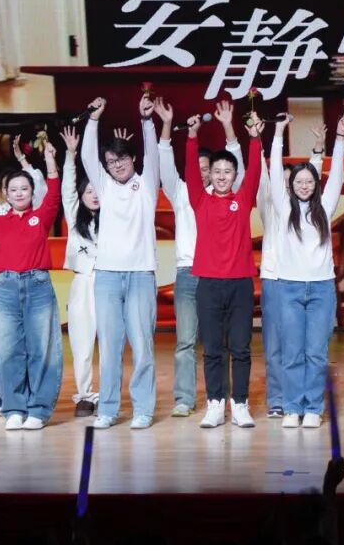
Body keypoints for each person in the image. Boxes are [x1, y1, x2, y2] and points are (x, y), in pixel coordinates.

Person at [153, 99, 244, 420]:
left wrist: (228, 127)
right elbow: (165, 161)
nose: (206, 173)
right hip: (188, 272)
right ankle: (184, 398)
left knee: (222, 343)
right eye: (200, 167)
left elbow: (237, 163)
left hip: (221, 275)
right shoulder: (181, 191)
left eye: (211, 168)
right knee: (185, 341)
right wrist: (167, 125)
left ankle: (223, 399)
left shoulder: (229, 193)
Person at [0, 140, 63, 431]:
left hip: (37, 285)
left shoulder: (40, 216)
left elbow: (54, 194)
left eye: (24, 189)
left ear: (32, 192)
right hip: (5, 287)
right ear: (6, 194)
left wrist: (50, 163)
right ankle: (14, 409)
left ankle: (39, 410)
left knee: (41, 349)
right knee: (7, 350)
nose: (19, 193)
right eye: (14, 190)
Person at [80, 94, 161, 430]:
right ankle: (108, 409)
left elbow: (154, 154)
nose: (117, 165)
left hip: (141, 274)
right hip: (107, 276)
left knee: (142, 345)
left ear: (132, 158)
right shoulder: (105, 186)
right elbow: (87, 156)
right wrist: (93, 120)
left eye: (122, 159)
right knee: (110, 346)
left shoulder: (146, 185)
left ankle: (143, 409)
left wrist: (146, 121)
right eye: (111, 161)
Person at [184, 109, 264, 429]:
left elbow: (255, 171)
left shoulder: (243, 200)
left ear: (234, 175)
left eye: (227, 171)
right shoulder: (200, 200)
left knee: (241, 347)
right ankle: (215, 403)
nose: (220, 176)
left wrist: (255, 138)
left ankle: (240, 403)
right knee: (213, 349)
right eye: (216, 171)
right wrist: (192, 137)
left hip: (240, 284)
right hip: (209, 285)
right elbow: (191, 171)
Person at [270, 113, 344, 428]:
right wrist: (278, 133)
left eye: (309, 181)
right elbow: (274, 172)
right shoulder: (284, 206)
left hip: (321, 289)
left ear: (316, 185)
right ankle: (292, 407)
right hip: (288, 287)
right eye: (298, 181)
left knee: (316, 353)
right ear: (291, 184)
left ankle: (313, 408)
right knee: (292, 353)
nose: (303, 185)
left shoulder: (324, 209)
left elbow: (337, 174)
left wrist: (338, 139)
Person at [256, 122, 324, 419]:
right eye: (282, 182)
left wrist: (318, 150)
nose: (287, 187)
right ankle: (278, 399)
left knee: (305, 346)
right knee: (275, 345)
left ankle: (303, 400)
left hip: (300, 280)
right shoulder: (270, 205)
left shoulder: (309, 209)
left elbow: (314, 176)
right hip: (274, 279)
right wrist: (262, 138)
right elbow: (263, 174)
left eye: (291, 182)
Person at [60, 126, 101, 417]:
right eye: (88, 191)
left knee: (110, 345)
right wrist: (70, 155)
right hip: (83, 284)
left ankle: (108, 395)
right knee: (82, 344)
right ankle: (85, 396)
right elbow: (67, 188)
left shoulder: (115, 217)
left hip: (109, 282)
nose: (94, 195)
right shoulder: (75, 216)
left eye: (97, 189)